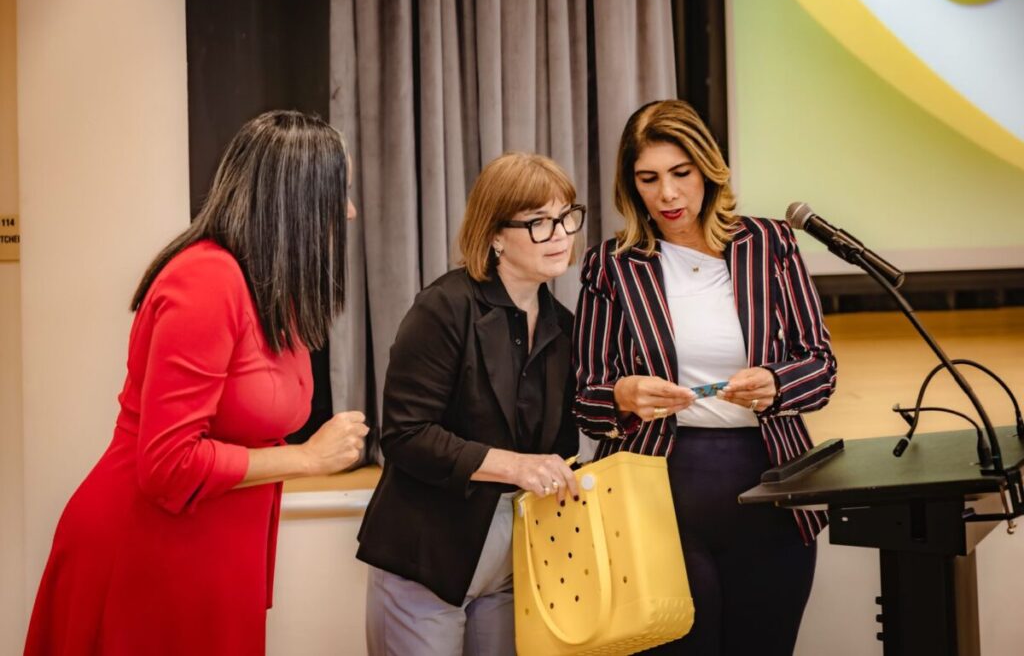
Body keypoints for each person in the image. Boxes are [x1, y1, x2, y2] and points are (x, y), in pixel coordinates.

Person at [24, 110, 370, 655]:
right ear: (297, 200)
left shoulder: (272, 290)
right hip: (146, 549)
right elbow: (167, 464)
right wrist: (308, 458)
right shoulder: (207, 280)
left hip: (212, 550)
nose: (349, 211)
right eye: (339, 192)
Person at [572, 100, 836, 656]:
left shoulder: (770, 244)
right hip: (658, 499)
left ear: (709, 171)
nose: (667, 195)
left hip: (772, 493)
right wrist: (622, 395)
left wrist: (777, 383)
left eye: (680, 173)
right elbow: (586, 398)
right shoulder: (613, 264)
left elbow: (821, 366)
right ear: (630, 185)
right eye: (648, 179)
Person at [357, 152, 584, 656]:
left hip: (514, 558)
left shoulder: (564, 326)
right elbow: (405, 434)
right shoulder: (445, 306)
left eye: (567, 217)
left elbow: (562, 444)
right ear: (495, 234)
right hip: (428, 553)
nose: (561, 235)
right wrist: (515, 466)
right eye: (539, 222)